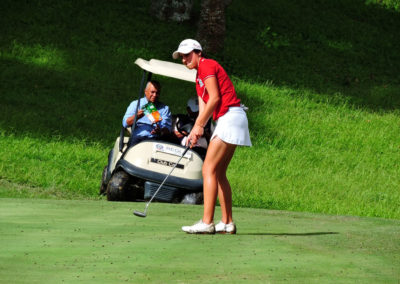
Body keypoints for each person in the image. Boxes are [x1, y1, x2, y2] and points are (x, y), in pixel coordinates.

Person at [173, 39, 252, 234]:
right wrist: (195, 130)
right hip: (229, 119)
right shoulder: (198, 77)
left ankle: (207, 222)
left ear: (198, 52)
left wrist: (200, 125)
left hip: (230, 117)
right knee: (218, 172)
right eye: (182, 57)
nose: (184, 59)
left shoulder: (207, 64)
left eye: (187, 55)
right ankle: (227, 222)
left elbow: (215, 98)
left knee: (208, 169)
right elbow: (203, 109)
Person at [122, 80, 172, 146]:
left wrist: (160, 131)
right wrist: (137, 116)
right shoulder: (136, 104)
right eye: (152, 92)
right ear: (145, 91)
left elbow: (168, 129)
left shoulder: (164, 108)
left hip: (154, 139)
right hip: (138, 137)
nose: (155, 95)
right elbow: (125, 123)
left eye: (157, 93)